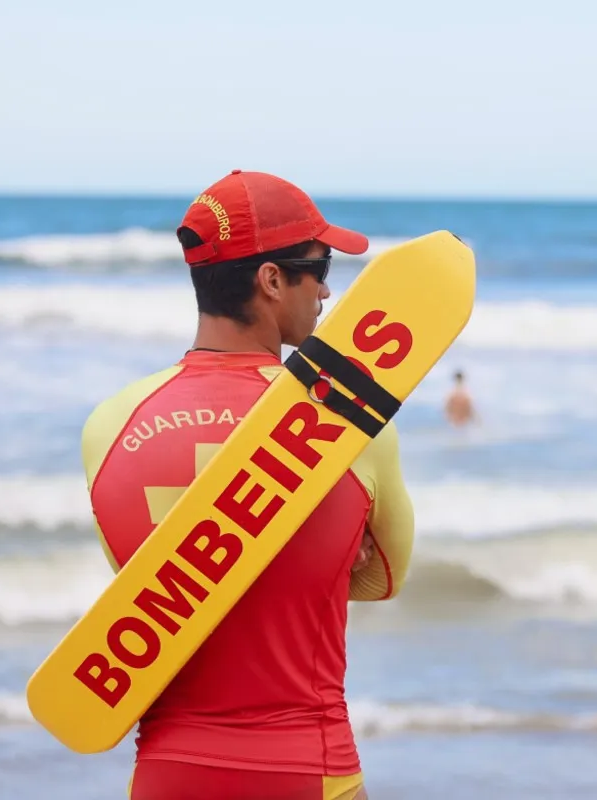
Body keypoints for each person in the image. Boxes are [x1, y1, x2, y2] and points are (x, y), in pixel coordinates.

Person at [80, 170, 414, 800]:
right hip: (310, 769)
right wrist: (329, 554)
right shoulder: (347, 423)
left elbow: (150, 585)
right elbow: (384, 579)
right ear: (271, 280)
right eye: (318, 268)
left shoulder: (110, 425)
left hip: (166, 774)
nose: (327, 291)